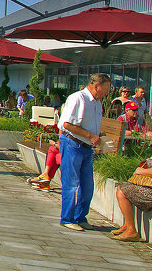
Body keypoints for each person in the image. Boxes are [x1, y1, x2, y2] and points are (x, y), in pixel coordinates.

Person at [57, 73, 110, 231]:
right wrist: (91, 136)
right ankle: (67, 218)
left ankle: (80, 216)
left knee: (87, 186)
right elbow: (66, 124)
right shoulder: (78, 98)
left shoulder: (97, 102)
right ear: (96, 86)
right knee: (71, 184)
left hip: (87, 147)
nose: (107, 93)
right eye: (106, 89)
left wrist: (98, 137)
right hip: (73, 144)